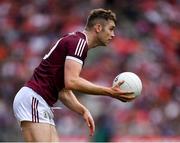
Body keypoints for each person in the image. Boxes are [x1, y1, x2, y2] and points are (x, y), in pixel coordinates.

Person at [13, 8, 135, 142]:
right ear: (98, 27)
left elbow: (64, 91)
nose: (113, 34)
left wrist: (82, 110)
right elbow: (72, 81)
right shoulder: (79, 42)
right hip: (34, 99)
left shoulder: (77, 42)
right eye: (111, 29)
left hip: (39, 101)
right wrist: (109, 92)